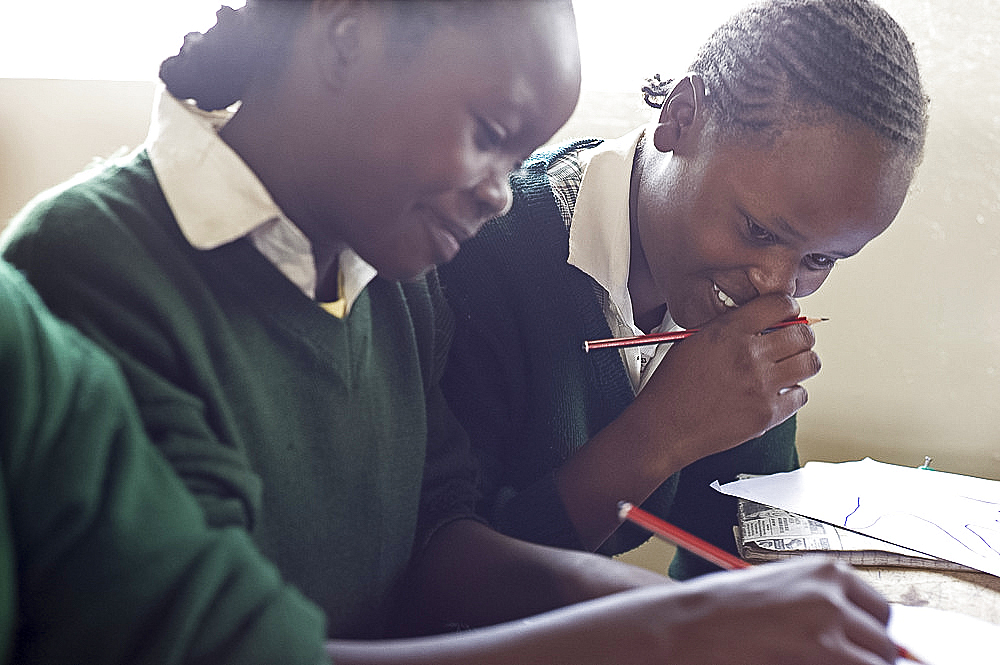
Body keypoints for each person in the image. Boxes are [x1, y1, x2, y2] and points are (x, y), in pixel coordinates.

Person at [1, 1, 907, 663]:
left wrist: (678, 613)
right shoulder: (94, 267)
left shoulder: (390, 271)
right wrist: (663, 628)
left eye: (520, 157)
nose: (503, 191)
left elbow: (439, 540)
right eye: (488, 136)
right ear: (346, 32)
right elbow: (213, 642)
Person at [439, 0, 929, 577]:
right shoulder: (479, 251)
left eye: (820, 259)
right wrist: (664, 430)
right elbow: (451, 580)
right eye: (757, 230)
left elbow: (736, 557)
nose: (775, 284)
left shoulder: (745, 323)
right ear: (680, 118)